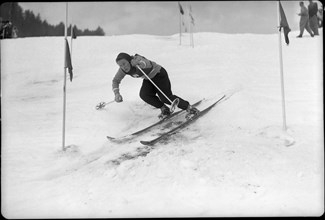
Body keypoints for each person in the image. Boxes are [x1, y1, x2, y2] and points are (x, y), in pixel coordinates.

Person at [112, 53, 199, 119]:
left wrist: (138, 63)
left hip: (159, 74)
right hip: (148, 79)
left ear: (129, 60)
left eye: (124, 63)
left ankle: (190, 108)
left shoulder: (137, 60)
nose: (123, 67)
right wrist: (116, 93)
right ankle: (164, 109)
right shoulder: (123, 70)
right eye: (120, 65)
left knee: (165, 97)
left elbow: (146, 64)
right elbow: (115, 81)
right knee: (144, 95)